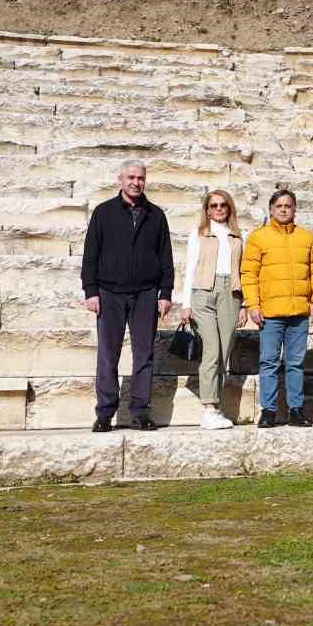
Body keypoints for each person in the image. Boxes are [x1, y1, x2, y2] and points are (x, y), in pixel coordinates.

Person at [81, 160, 174, 432]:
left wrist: (165, 292)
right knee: (108, 355)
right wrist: (91, 291)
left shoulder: (156, 215)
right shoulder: (103, 212)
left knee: (144, 355)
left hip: (146, 294)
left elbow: (166, 257)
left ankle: (141, 411)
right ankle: (105, 413)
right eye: (131, 177)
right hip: (109, 293)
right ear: (120, 180)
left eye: (141, 178)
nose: (136, 182)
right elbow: (90, 255)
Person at [242, 189, 313, 428]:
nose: (284, 210)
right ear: (271, 210)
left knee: (295, 362)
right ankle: (269, 410)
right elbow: (249, 274)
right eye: (279, 206)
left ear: (295, 209)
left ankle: (296, 409)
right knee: (269, 362)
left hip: (299, 312)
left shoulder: (306, 238)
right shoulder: (258, 237)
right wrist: (253, 304)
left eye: (288, 206)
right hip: (271, 313)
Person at [179, 189, 248, 430]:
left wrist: (245, 304)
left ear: (229, 209)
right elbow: (190, 268)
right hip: (203, 293)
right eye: (214, 205)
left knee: (225, 350)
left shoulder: (238, 237)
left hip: (231, 292)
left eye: (223, 205)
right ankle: (209, 407)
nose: (218, 209)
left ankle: (216, 407)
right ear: (207, 210)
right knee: (211, 351)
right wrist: (185, 304)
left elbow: (244, 271)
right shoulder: (198, 234)